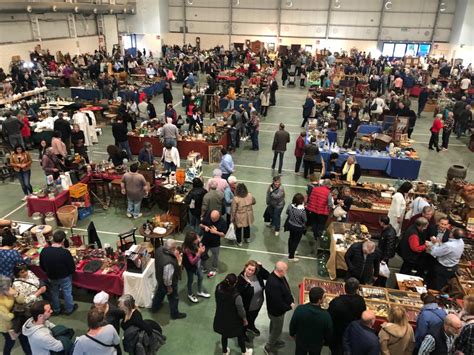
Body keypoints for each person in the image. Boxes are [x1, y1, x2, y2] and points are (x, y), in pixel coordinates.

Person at [213, 273, 253, 355]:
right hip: (233, 321)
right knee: (240, 335)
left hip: (221, 317)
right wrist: (244, 319)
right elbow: (241, 310)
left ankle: (224, 351)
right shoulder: (236, 296)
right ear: (235, 283)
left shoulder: (218, 287)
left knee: (224, 335)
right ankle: (244, 352)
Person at [39, 230, 77, 315]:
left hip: (51, 277)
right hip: (64, 277)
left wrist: (47, 272)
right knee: (67, 292)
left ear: (53, 239)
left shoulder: (44, 251)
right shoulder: (65, 252)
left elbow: (41, 265)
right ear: (63, 240)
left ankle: (56, 309)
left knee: (54, 292)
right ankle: (69, 309)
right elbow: (72, 268)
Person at [328, 278, 366, 355]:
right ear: (356, 290)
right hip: (352, 333)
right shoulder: (361, 301)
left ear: (344, 288)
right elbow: (362, 315)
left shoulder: (336, 302)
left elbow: (329, 315)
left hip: (337, 333)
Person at [289, 286, 333, 355]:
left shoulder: (300, 309)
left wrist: (292, 334)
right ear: (319, 300)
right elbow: (329, 332)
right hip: (316, 345)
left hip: (301, 342)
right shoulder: (326, 316)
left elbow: (293, 324)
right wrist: (326, 342)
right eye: (323, 297)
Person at [151, 239, 187, 319]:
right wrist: (169, 287)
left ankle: (155, 307)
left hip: (159, 278)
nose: (176, 249)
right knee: (174, 298)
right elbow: (167, 278)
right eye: (175, 248)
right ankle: (175, 314)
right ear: (171, 249)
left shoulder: (159, 249)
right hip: (168, 284)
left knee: (159, 293)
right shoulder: (169, 263)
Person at [264, 261, 294, 355]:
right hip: (276, 312)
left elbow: (285, 288)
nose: (286, 272)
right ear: (281, 271)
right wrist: (289, 306)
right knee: (277, 329)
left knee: (274, 325)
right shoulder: (274, 284)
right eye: (285, 270)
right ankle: (268, 346)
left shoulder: (277, 276)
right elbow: (277, 303)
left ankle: (275, 340)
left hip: (276, 311)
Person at [236, 260, 269, 338]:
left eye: (252, 270)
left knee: (253, 317)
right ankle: (243, 334)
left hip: (257, 304)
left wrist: (261, 267)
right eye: (249, 269)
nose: (250, 272)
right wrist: (247, 284)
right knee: (244, 322)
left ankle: (251, 326)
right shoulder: (240, 279)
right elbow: (238, 296)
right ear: (245, 268)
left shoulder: (257, 275)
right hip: (247, 307)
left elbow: (268, 276)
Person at [0, 275, 31, 355]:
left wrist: (16, 293)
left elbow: (21, 301)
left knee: (24, 338)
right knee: (10, 342)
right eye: (7, 287)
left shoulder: (8, 290)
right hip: (6, 326)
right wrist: (16, 311)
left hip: (17, 321)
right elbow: (8, 317)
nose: (10, 287)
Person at [182, 231, 210, 303]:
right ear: (191, 241)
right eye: (196, 238)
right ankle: (190, 294)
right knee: (190, 280)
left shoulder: (196, 242)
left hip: (198, 265)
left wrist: (200, 248)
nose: (198, 239)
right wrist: (199, 253)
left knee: (201, 276)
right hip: (190, 267)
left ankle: (199, 291)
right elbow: (192, 262)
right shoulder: (187, 249)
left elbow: (199, 245)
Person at [200, 210, 228, 278]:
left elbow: (224, 234)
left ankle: (214, 269)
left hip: (215, 243)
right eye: (211, 218)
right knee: (202, 254)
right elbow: (200, 224)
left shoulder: (222, 222)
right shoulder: (208, 215)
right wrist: (204, 227)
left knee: (215, 256)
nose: (212, 220)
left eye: (214, 219)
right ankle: (203, 267)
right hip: (205, 240)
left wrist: (216, 232)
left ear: (219, 216)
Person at [306, 179, 333, 244]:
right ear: (328, 185)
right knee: (321, 225)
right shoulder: (328, 192)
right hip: (322, 213)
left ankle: (315, 236)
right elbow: (330, 204)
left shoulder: (315, 189)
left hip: (312, 210)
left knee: (314, 223)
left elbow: (310, 198)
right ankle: (318, 238)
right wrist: (329, 210)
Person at [375, 216, 398, 287]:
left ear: (382, 222)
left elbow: (389, 247)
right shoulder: (386, 229)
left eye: (380, 221)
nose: (379, 223)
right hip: (382, 253)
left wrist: (384, 259)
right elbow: (381, 236)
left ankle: (381, 284)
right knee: (380, 268)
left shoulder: (390, 232)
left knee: (383, 269)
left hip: (384, 255)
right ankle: (378, 281)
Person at [285, 193, 307, 261]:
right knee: (296, 241)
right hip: (298, 228)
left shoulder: (290, 206)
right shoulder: (302, 210)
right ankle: (291, 256)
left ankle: (290, 251)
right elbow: (305, 219)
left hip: (291, 225)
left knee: (291, 239)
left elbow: (287, 212)